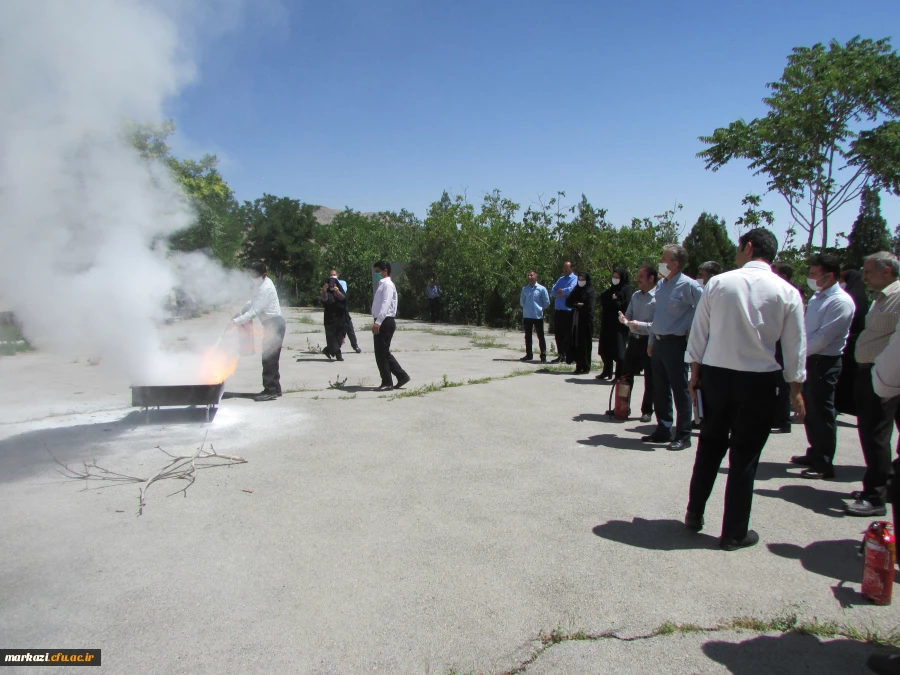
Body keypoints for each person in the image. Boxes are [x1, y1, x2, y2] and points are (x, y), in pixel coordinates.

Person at [684, 228, 807, 551]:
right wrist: (795, 388)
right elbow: (795, 346)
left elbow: (700, 332)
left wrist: (694, 372)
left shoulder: (720, 283)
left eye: (739, 248)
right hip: (759, 381)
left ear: (748, 247)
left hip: (716, 376)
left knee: (709, 446)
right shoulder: (787, 291)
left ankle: (694, 513)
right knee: (745, 457)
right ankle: (733, 533)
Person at [788, 254, 855, 479]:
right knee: (812, 411)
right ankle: (814, 451)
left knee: (823, 412)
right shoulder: (818, 297)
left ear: (830, 276)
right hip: (810, 359)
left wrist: (796, 349)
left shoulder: (840, 302)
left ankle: (824, 462)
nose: (810, 277)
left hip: (825, 361)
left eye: (814, 274)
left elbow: (823, 338)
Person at [845, 252, 900, 517]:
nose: (864, 276)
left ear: (887, 270)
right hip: (871, 373)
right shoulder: (881, 298)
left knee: (876, 435)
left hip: (883, 377)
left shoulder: (897, 297)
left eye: (868, 271)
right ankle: (883, 485)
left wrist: (881, 372)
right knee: (870, 434)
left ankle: (875, 496)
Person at [642, 245, 703, 451]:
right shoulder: (661, 285)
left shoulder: (689, 286)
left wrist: (691, 329)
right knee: (660, 389)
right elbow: (657, 315)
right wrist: (651, 341)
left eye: (664, 258)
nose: (660, 261)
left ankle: (684, 434)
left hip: (675, 343)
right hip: (658, 342)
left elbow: (704, 308)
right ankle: (664, 428)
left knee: (680, 389)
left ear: (675, 264)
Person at [231, 262, 285, 402]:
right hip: (271, 325)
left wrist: (236, 322)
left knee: (268, 359)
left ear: (264, 275)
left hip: (274, 325)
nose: (252, 277)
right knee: (271, 358)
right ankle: (276, 388)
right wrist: (243, 311)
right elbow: (252, 302)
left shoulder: (265, 288)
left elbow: (255, 311)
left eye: (255, 275)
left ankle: (270, 390)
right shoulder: (261, 285)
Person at [618, 264, 658, 423]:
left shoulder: (659, 298)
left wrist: (639, 324)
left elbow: (658, 324)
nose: (638, 280)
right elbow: (628, 315)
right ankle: (622, 406)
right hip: (633, 340)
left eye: (641, 277)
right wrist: (624, 320)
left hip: (649, 342)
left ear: (651, 278)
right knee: (625, 375)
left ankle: (647, 410)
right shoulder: (635, 296)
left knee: (650, 378)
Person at [835, 268, 870, 416]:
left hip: (850, 343)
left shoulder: (850, 298)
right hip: (854, 343)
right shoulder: (860, 296)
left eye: (843, 280)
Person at [371, 261, 411, 392]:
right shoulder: (382, 284)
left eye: (378, 271)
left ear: (385, 270)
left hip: (385, 321)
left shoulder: (387, 285)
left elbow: (386, 303)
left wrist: (378, 321)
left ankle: (387, 382)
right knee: (383, 352)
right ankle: (401, 375)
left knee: (381, 353)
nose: (376, 273)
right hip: (382, 320)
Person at [770, 262, 796, 434]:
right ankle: (776, 416)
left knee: (783, 384)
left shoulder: (789, 292)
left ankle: (784, 420)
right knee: (775, 385)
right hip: (774, 344)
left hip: (783, 345)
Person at [597, 268, 633, 379]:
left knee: (618, 351)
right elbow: (604, 299)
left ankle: (618, 375)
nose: (615, 279)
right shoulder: (611, 291)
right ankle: (607, 371)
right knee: (605, 348)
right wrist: (613, 300)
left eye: (617, 277)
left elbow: (622, 306)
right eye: (614, 277)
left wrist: (614, 301)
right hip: (607, 323)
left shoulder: (626, 290)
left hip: (619, 325)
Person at [566, 272, 596, 374]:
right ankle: (579, 365)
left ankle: (586, 366)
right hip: (577, 320)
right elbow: (568, 301)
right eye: (579, 279)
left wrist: (578, 305)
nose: (581, 281)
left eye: (583, 279)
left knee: (585, 343)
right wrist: (577, 305)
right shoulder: (577, 289)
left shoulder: (590, 291)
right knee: (577, 343)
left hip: (586, 320)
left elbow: (588, 306)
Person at [549, 261, 578, 363]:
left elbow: (571, 290)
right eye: (564, 268)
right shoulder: (561, 279)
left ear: (571, 268)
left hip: (568, 311)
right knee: (559, 334)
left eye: (567, 268)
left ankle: (569, 355)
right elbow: (553, 291)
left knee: (568, 334)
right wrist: (560, 292)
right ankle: (561, 354)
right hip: (559, 310)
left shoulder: (575, 279)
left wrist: (563, 291)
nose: (565, 270)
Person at [519, 271, 550, 363]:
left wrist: (540, 308)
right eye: (528, 275)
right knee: (528, 336)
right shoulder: (525, 289)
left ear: (536, 277)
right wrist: (527, 307)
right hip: (527, 315)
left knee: (540, 336)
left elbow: (546, 302)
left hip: (537, 315)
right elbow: (522, 301)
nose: (530, 277)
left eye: (531, 275)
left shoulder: (541, 289)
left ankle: (543, 355)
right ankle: (529, 354)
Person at [330, 270, 361, 354]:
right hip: (334, 311)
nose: (332, 276)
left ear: (337, 275)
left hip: (343, 310)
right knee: (336, 331)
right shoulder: (328, 285)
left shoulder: (342, 282)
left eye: (334, 275)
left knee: (349, 328)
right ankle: (336, 349)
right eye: (331, 275)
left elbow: (344, 292)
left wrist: (336, 289)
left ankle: (355, 345)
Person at [320, 276, 347, 362]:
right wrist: (324, 290)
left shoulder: (338, 291)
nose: (331, 286)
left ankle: (327, 350)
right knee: (332, 337)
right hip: (329, 318)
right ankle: (339, 355)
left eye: (333, 284)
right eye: (330, 284)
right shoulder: (326, 292)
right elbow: (324, 300)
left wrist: (337, 291)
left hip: (339, 317)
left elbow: (343, 299)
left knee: (339, 337)